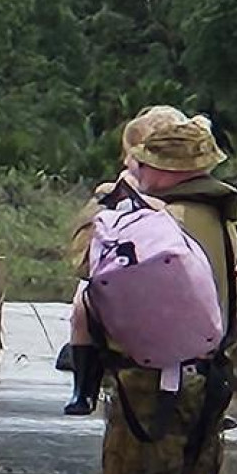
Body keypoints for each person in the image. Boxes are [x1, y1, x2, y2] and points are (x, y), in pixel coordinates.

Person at [85, 117, 237, 474]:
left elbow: (95, 275)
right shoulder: (219, 219)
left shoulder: (152, 221)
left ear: (157, 168)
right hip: (211, 382)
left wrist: (103, 209)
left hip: (153, 387)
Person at [60, 105, 189, 415]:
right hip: (123, 272)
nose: (127, 162)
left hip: (172, 277)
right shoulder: (114, 192)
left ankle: (217, 392)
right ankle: (83, 389)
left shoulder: (190, 197)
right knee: (81, 305)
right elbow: (85, 248)